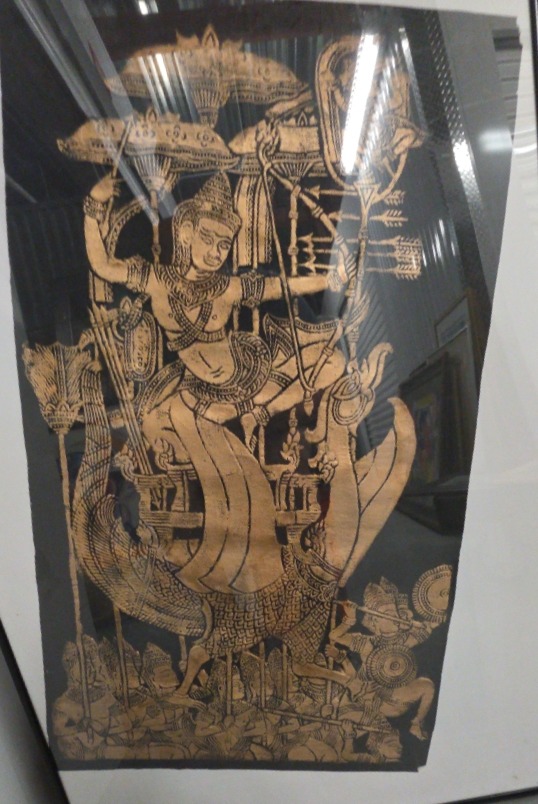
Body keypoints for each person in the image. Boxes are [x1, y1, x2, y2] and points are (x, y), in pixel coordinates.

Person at [84, 171, 348, 449]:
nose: (215, 252)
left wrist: (328, 280)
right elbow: (103, 266)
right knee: (164, 420)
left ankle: (262, 412)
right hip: (201, 391)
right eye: (207, 238)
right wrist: (93, 208)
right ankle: (247, 414)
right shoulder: (156, 281)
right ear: (187, 233)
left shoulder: (226, 287)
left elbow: (280, 287)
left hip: (252, 375)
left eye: (224, 245)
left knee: (334, 361)